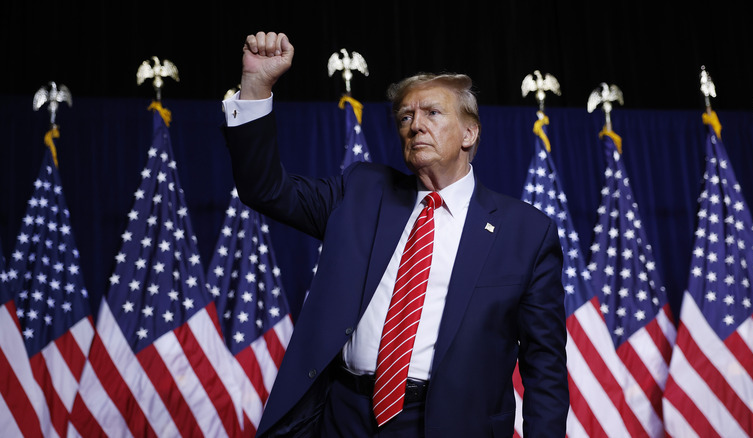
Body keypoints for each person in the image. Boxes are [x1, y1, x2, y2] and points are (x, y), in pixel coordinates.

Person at [222, 31, 568, 438]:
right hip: (342, 416)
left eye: (432, 114)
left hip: (448, 424)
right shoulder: (362, 191)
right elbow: (265, 189)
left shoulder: (525, 232)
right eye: (405, 116)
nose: (415, 126)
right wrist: (257, 87)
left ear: (469, 133)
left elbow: (544, 366)